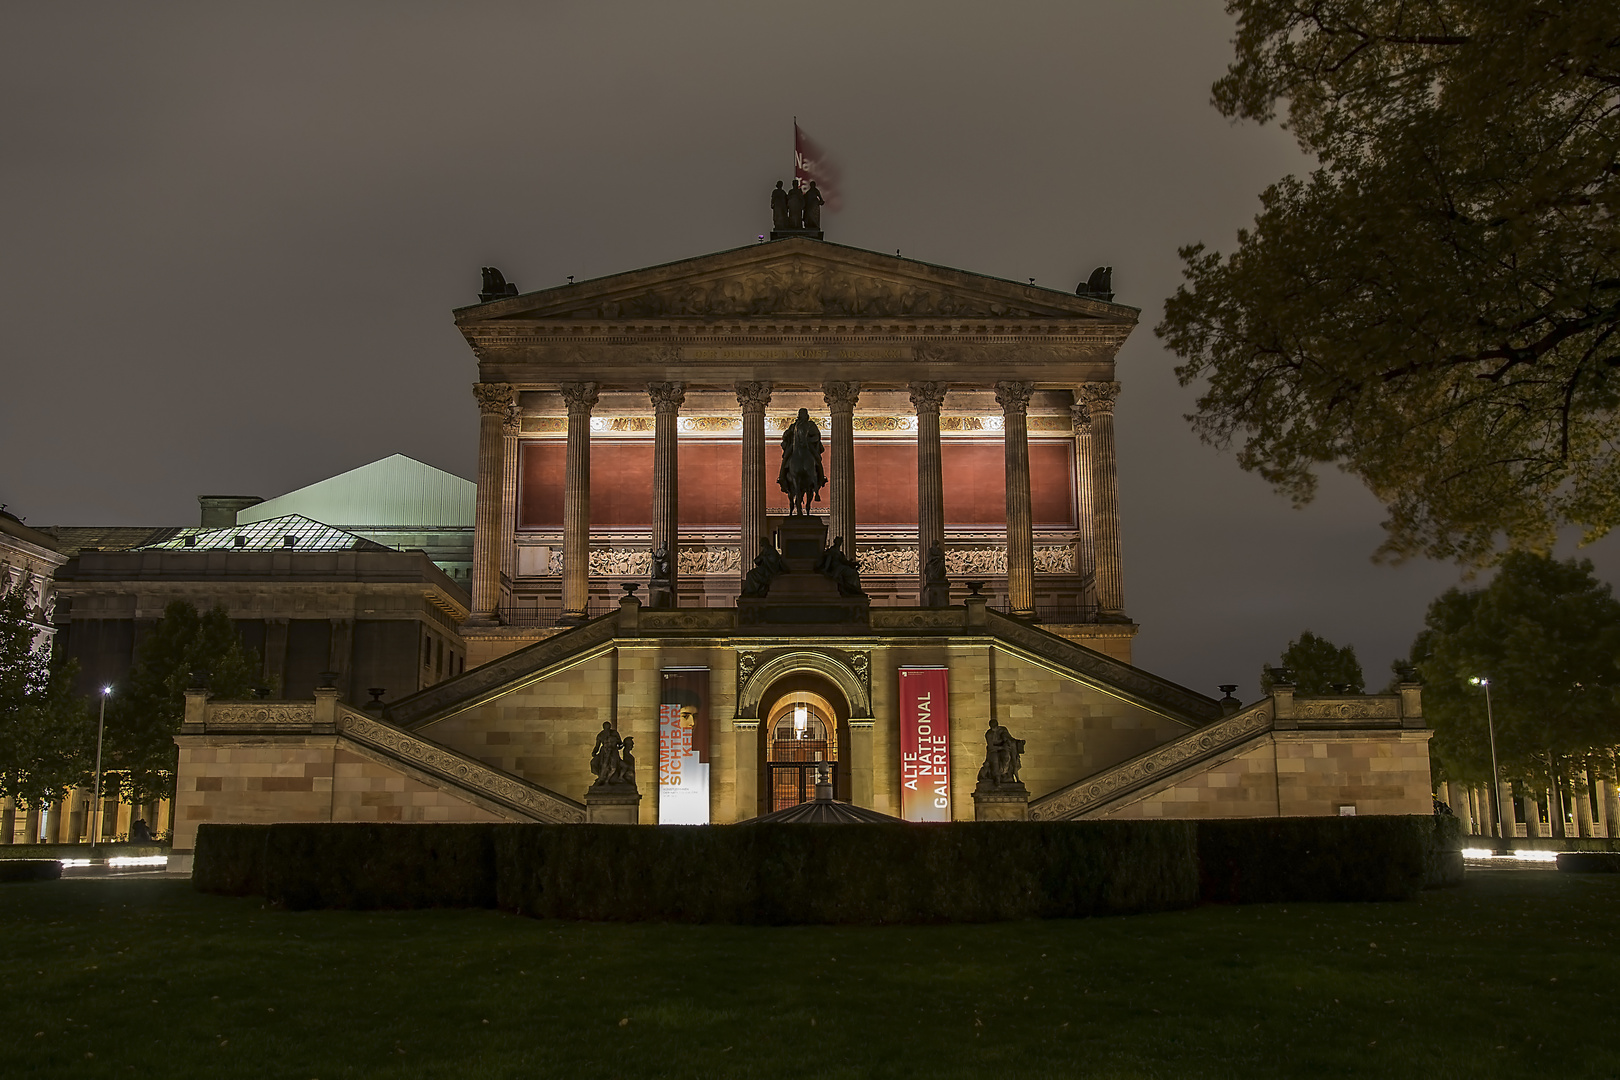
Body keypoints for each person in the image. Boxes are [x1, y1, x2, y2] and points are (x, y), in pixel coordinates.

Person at [778, 407, 826, 514]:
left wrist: (809, 439)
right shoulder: (794, 426)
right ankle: (782, 478)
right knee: (786, 458)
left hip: (808, 446)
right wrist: (788, 436)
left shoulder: (811, 425)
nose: (802, 416)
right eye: (801, 414)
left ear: (807, 415)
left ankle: (821, 478)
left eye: (804, 414)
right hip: (795, 446)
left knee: (817, 459)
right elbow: (785, 436)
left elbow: (817, 436)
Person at [590, 721, 623, 786]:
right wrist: (594, 752)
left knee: (613, 766)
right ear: (603, 728)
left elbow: (620, 743)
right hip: (604, 752)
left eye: (608, 728)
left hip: (613, 751)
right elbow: (597, 745)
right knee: (595, 763)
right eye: (606, 728)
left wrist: (617, 743)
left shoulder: (614, 733)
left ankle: (607, 779)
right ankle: (601, 778)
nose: (607, 729)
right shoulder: (600, 735)